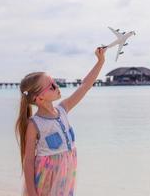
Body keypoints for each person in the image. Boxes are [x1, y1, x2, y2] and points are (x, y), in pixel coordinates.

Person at [15, 47, 107, 196]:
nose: (57, 86)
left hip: (66, 175)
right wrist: (32, 193)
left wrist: (100, 61)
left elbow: (85, 86)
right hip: (47, 177)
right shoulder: (35, 124)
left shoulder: (63, 109)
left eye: (55, 82)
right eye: (51, 86)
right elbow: (29, 161)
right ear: (39, 98)